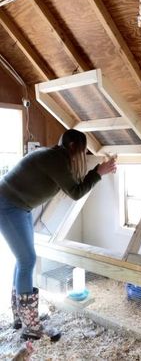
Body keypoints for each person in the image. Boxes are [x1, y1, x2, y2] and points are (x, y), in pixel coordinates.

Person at [0, 129, 117, 341]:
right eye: (82, 151)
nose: (81, 155)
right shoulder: (55, 160)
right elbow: (76, 192)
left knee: (23, 260)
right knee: (27, 261)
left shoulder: (54, 156)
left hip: (19, 206)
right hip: (8, 205)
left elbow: (73, 186)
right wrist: (98, 172)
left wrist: (97, 172)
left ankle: (22, 317)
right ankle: (30, 327)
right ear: (73, 147)